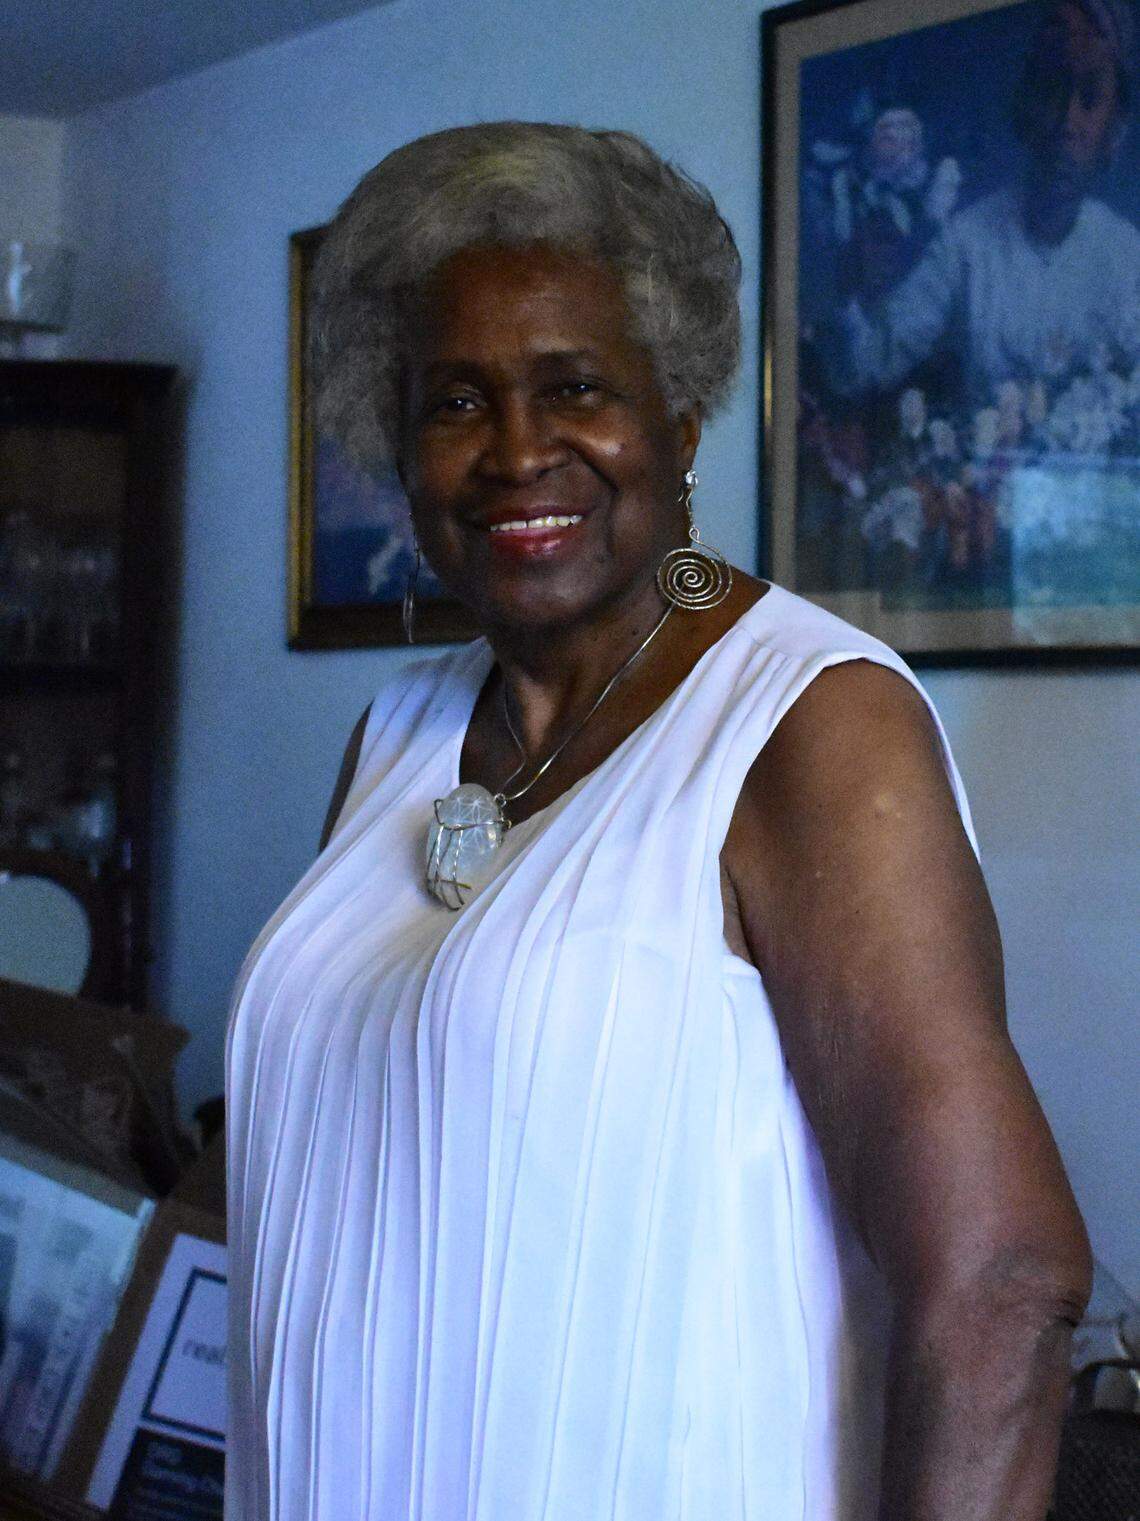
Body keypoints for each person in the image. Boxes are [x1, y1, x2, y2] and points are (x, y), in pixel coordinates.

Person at [225, 123, 1091, 1521]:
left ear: (679, 418)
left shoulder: (809, 723)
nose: (517, 449)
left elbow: (998, 1280)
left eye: (575, 386)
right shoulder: (395, 733)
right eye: (455, 401)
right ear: (396, 447)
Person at [824, 0, 1140, 403]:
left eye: (1090, 100)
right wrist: (848, 293)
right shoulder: (967, 244)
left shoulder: (1127, 257)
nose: (1067, 125)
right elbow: (868, 366)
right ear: (1026, 106)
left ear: (1114, 128)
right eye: (1051, 93)